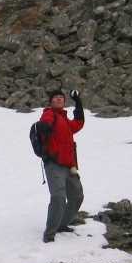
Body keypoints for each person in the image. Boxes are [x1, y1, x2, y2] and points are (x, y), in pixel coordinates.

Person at [36, 89, 84, 243]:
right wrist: (44, 127)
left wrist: (78, 103)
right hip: (54, 164)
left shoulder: (65, 120)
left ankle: (62, 224)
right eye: (55, 97)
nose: (58, 99)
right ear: (51, 101)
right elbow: (45, 122)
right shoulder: (49, 114)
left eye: (61, 98)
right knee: (58, 198)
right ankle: (49, 234)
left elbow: (78, 123)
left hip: (70, 166)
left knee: (77, 196)